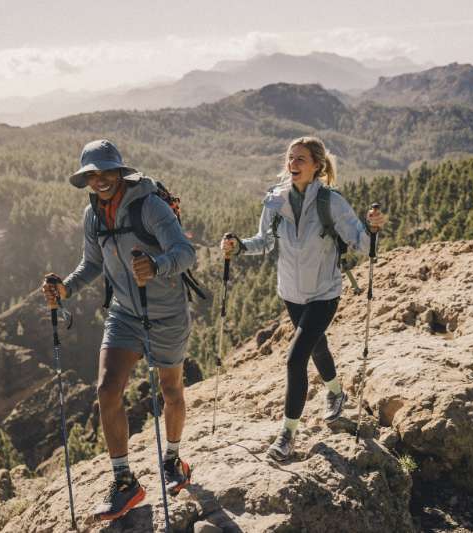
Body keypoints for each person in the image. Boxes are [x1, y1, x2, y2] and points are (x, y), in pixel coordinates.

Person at [42, 139, 194, 520]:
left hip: (166, 313)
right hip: (125, 313)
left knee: (171, 389)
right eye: (92, 175)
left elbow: (186, 252)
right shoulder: (93, 215)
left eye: (107, 172)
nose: (100, 180)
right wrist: (66, 289)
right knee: (107, 390)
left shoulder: (150, 206)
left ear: (121, 171)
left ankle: (173, 460)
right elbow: (91, 263)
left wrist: (157, 265)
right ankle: (125, 482)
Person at [221, 136, 387, 461]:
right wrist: (239, 246)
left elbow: (362, 243)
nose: (292, 164)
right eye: (290, 158)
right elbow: (265, 242)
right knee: (317, 346)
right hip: (292, 294)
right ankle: (337, 393)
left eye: (300, 159)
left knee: (295, 358)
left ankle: (287, 434)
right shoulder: (275, 200)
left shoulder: (331, 202)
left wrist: (374, 229)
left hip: (324, 293)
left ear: (316, 166)